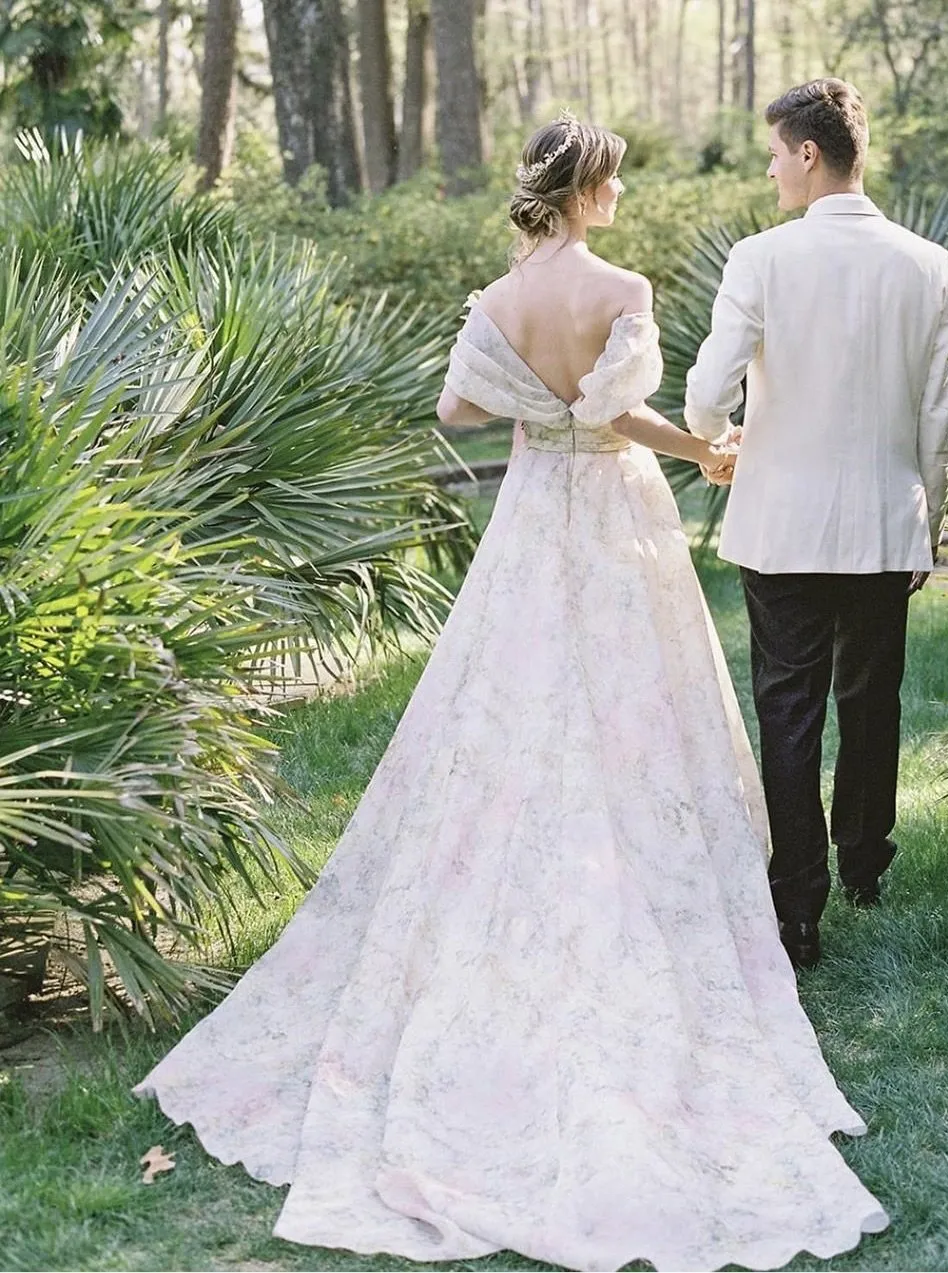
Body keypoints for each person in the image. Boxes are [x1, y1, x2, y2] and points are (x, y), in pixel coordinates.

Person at [134, 112, 888, 1271]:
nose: (623, 198)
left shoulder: (494, 301)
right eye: (616, 181)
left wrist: (540, 409)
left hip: (534, 510)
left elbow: (458, 413)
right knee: (637, 702)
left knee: (512, 699)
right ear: (583, 187)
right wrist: (701, 453)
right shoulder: (618, 285)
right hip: (613, 506)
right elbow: (617, 415)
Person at [684, 78, 948, 971]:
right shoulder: (928, 264)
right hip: (886, 521)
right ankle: (866, 864)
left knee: (789, 708)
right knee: (871, 700)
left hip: (782, 526)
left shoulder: (762, 259)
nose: (770, 171)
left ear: (810, 154)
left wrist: (714, 437)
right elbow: (936, 415)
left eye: (774, 155)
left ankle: (796, 907)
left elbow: (701, 396)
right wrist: (932, 515)